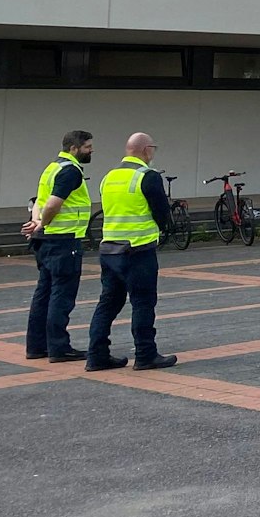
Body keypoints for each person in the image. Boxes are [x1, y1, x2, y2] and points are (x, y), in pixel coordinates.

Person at [84, 132, 175, 371]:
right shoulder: (148, 176)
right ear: (146, 150)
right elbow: (162, 212)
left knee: (108, 302)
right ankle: (145, 354)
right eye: (153, 148)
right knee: (143, 303)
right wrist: (165, 228)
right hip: (138, 250)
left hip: (110, 249)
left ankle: (96, 356)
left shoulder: (108, 177)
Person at [22, 129, 93, 362]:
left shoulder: (52, 167)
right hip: (64, 240)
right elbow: (52, 204)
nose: (91, 150)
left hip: (46, 243)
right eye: (87, 147)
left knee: (43, 294)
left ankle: (36, 346)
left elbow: (37, 201)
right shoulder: (71, 171)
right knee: (61, 296)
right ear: (74, 148)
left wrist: (36, 222)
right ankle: (59, 348)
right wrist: (42, 223)